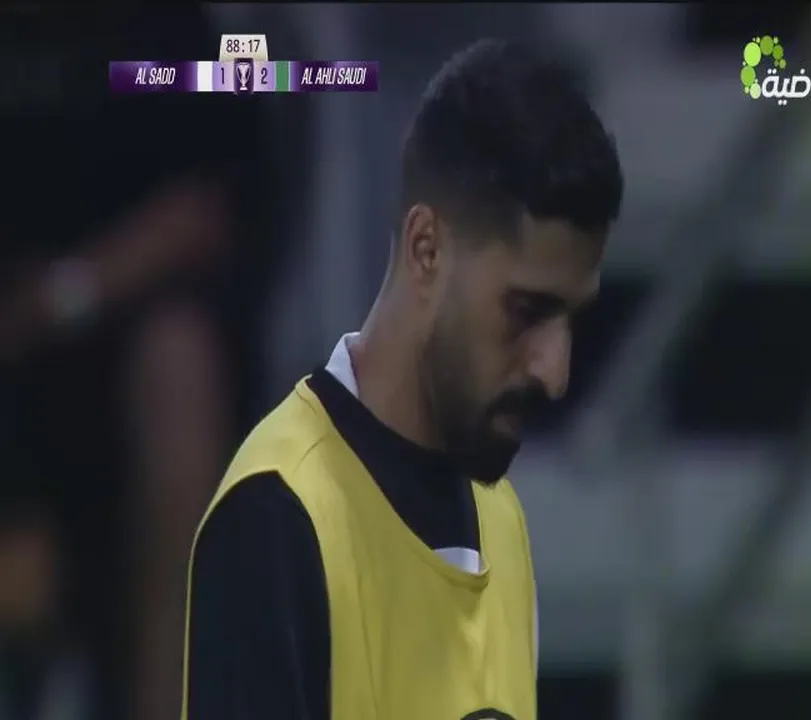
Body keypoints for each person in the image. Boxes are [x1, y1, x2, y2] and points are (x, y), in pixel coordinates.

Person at [182, 38, 623, 720]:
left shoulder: (501, 520)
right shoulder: (278, 515)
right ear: (427, 249)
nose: (555, 373)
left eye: (571, 321)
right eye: (526, 310)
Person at [0, 7, 285, 720]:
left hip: (124, 349)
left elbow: (209, 210)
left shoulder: (182, 36)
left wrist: (65, 296)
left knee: (176, 366)